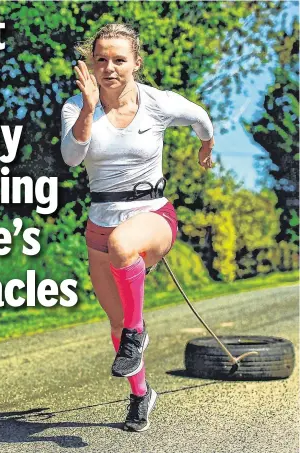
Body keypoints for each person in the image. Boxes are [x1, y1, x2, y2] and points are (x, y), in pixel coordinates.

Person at [60, 23, 214, 432]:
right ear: (91, 65)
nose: (109, 67)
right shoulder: (76, 108)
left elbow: (200, 117)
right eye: (101, 60)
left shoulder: (157, 103)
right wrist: (91, 109)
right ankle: (141, 394)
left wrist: (206, 143)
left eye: (119, 60)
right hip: (101, 220)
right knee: (115, 323)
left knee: (123, 244)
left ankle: (136, 331)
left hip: (153, 215)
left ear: (135, 63)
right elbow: (73, 157)